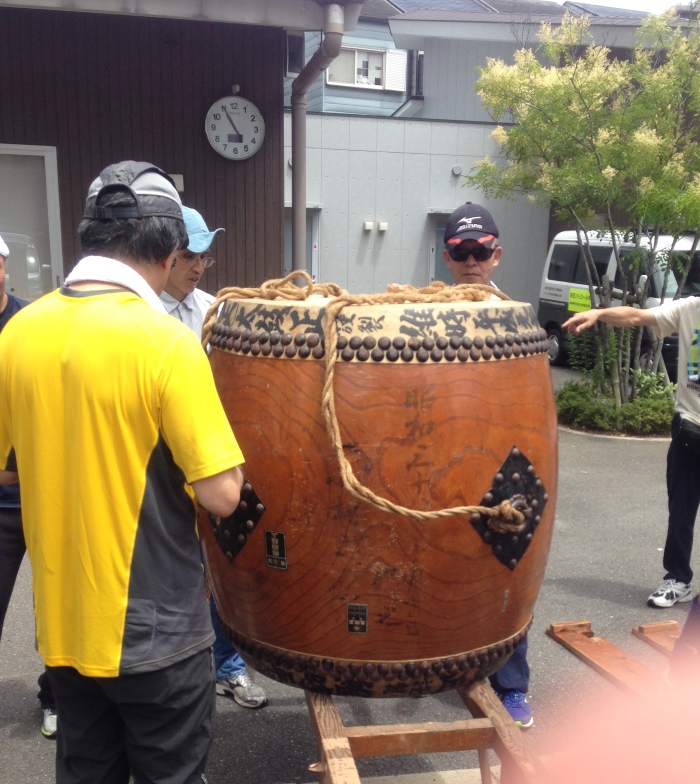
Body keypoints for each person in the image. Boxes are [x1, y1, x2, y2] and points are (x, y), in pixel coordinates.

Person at [0, 161, 246, 784]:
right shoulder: (164, 342)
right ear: (167, 250)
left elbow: (5, 471)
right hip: (157, 635)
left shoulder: (18, 334)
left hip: (65, 633)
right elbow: (222, 495)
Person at [160, 206, 267, 709]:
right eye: (187, 256)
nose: (198, 266)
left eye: (204, 255)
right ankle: (179, 679)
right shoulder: (143, 316)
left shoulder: (215, 312)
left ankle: (227, 667)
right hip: (160, 473)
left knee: (221, 566)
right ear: (165, 255)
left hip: (212, 464)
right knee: (172, 575)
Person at [442, 201, 533, 729]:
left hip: (503, 462)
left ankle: (512, 685)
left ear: (497, 254)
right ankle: (446, 661)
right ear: (448, 255)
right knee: (446, 568)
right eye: (461, 251)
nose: (471, 260)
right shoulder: (422, 312)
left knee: (507, 574)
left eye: (481, 251)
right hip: (446, 458)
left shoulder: (515, 317)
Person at [563, 296, 700, 609]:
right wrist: (599, 312)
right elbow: (636, 316)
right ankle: (677, 579)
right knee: (681, 512)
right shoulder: (691, 308)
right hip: (690, 430)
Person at [0, 236, 58, 740]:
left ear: (3, 265)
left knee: (53, 607)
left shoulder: (29, 325)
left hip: (41, 497)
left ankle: (54, 697)